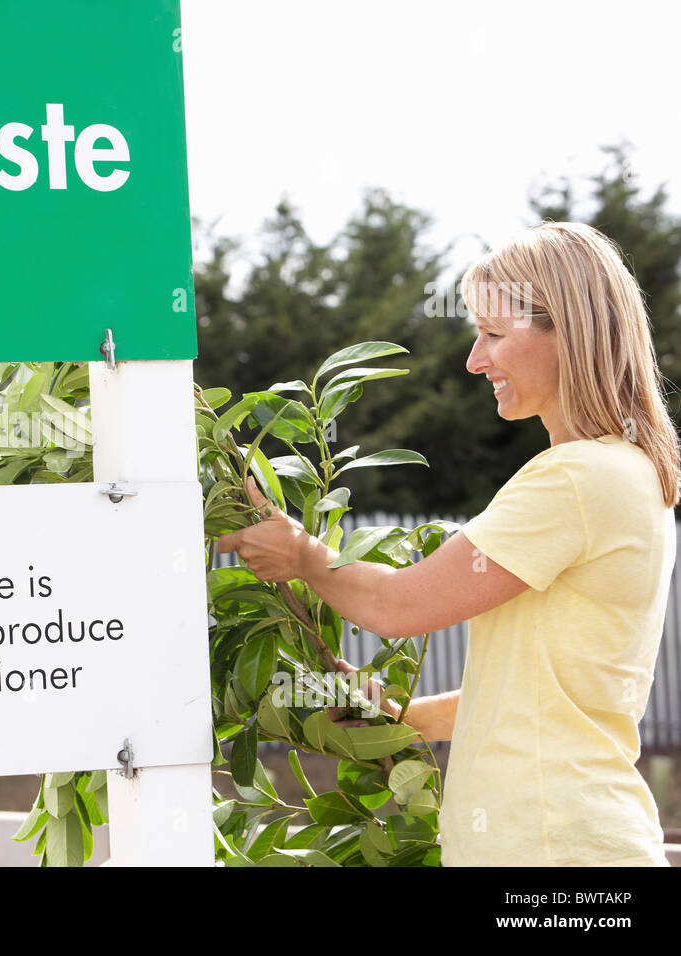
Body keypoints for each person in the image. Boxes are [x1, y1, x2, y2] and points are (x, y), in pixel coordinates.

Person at [216, 221, 679, 866]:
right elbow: (539, 699)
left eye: (492, 334)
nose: (474, 359)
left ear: (567, 333)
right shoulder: (621, 472)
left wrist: (300, 555)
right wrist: (402, 717)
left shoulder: (577, 478)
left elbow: (398, 609)